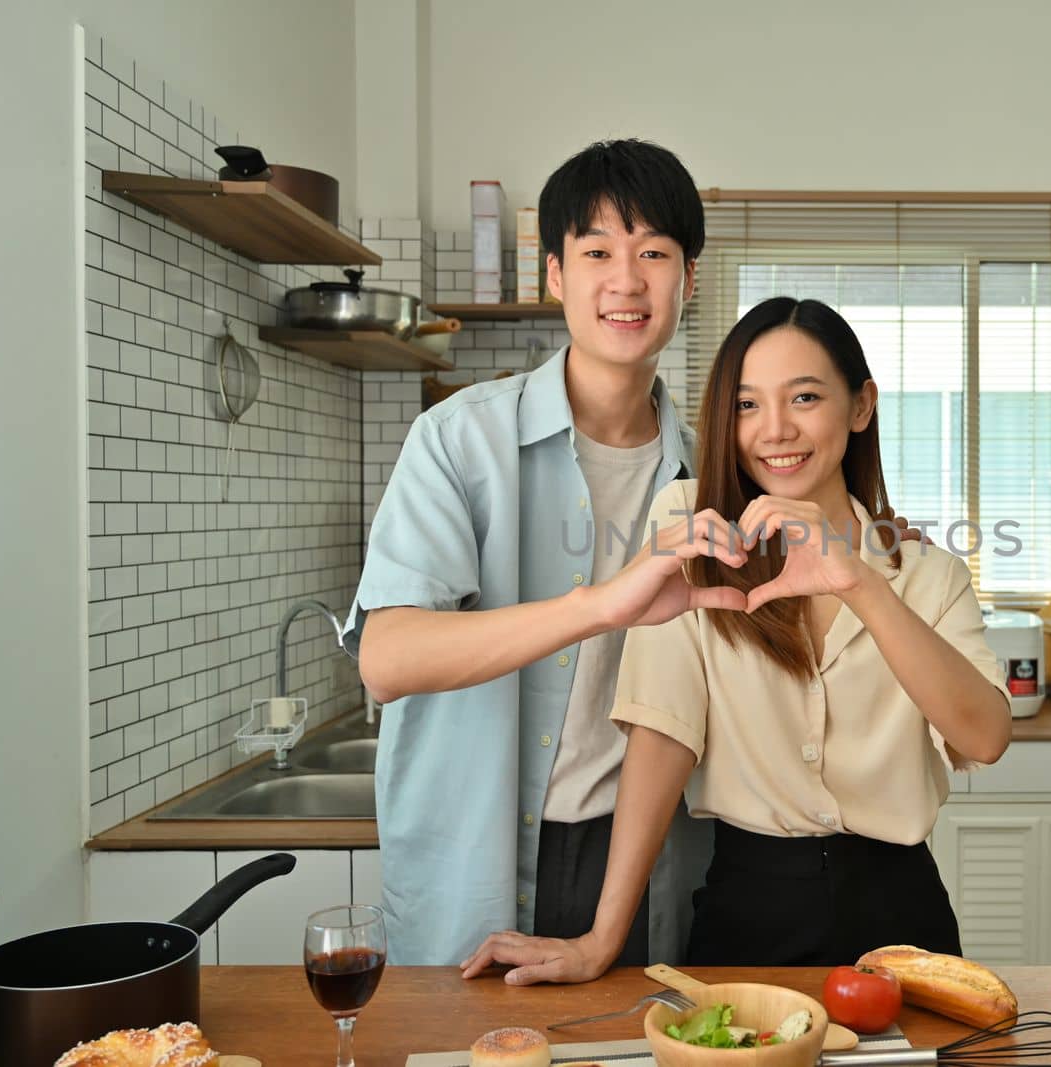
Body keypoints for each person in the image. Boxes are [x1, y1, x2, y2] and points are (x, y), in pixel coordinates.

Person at [460, 297, 1013, 983]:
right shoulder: (691, 528)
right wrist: (601, 938)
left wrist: (861, 585)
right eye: (747, 405)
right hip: (748, 913)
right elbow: (662, 735)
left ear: (861, 405)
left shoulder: (928, 574)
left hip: (904, 920)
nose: (774, 430)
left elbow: (984, 736)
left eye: (804, 396)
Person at [345, 139, 752, 967]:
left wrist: (880, 538)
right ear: (556, 274)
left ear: (690, 278)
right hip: (479, 862)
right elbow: (386, 658)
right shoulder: (458, 440)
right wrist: (598, 604)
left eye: (655, 253)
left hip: (645, 862)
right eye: (598, 251)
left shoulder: (710, 470)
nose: (627, 280)